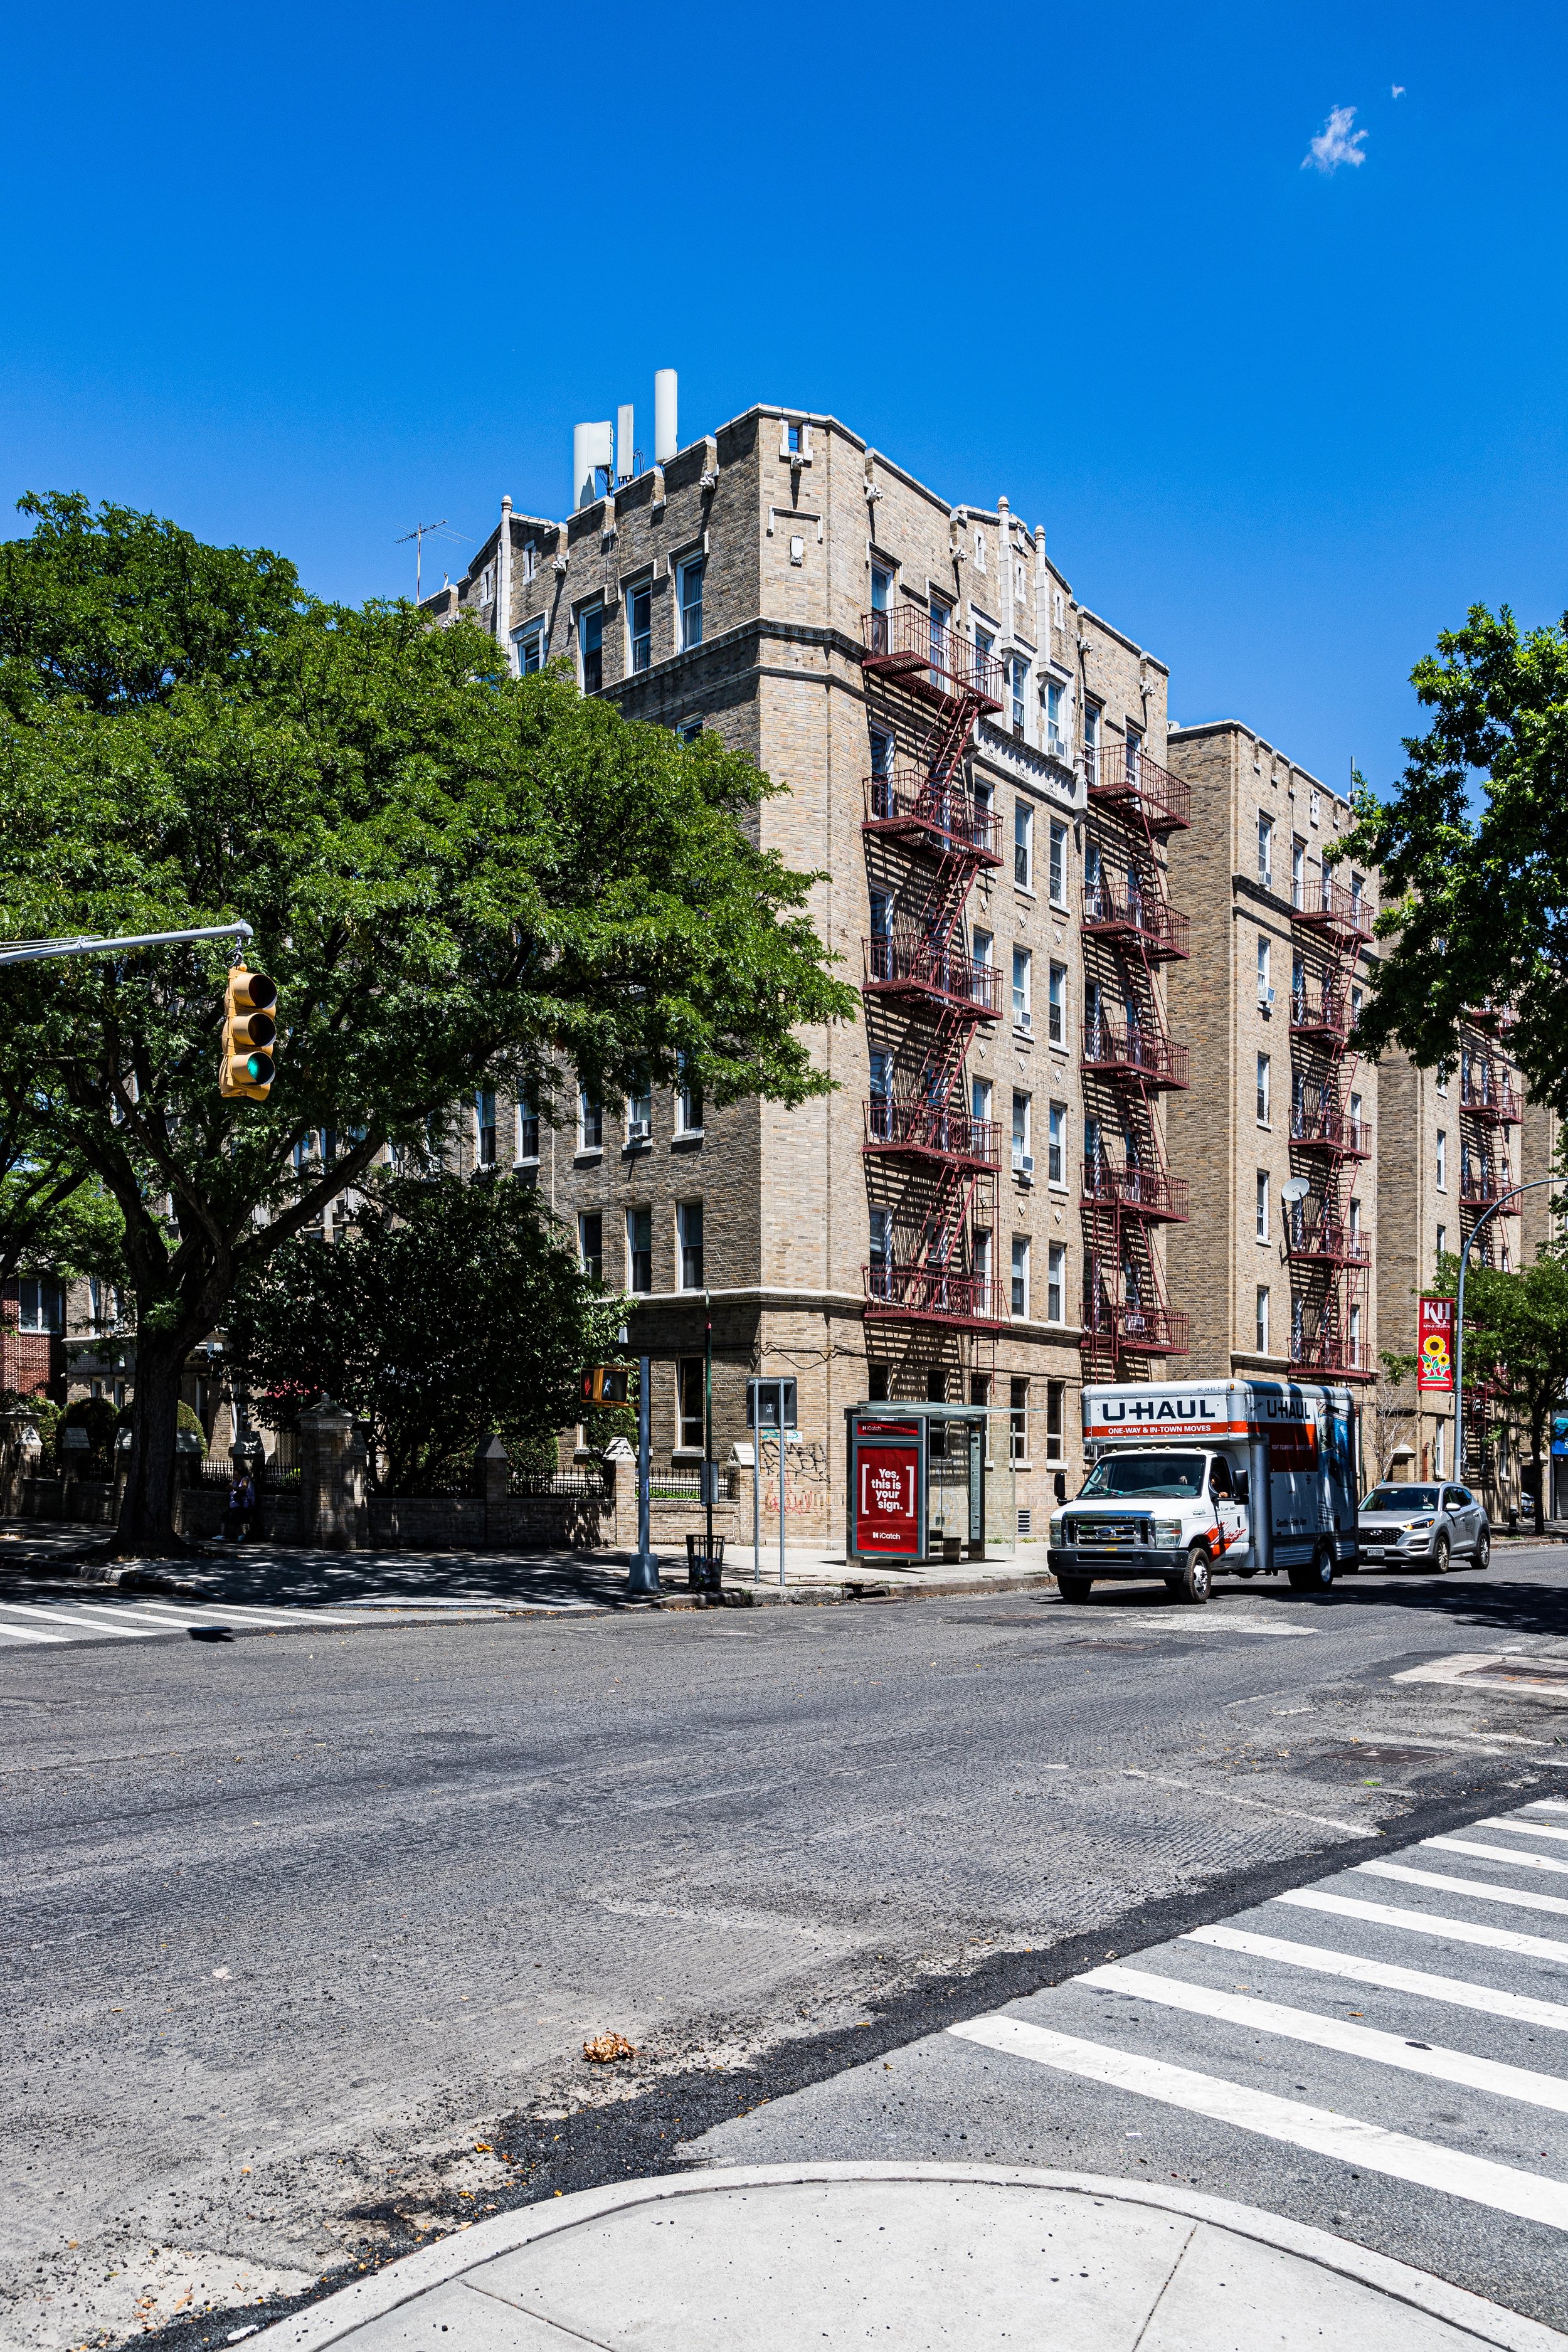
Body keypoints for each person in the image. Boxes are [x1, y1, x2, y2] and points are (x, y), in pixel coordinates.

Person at [225, 1467, 256, 1543]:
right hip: (238, 1504)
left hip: (246, 1505)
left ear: (241, 1475)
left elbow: (243, 1488)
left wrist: (234, 1488)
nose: (235, 1477)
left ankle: (241, 1534)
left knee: (232, 1517)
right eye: (234, 1475)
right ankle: (238, 1534)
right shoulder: (236, 1481)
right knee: (226, 1516)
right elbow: (228, 1487)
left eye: (236, 1475)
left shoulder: (245, 1479)